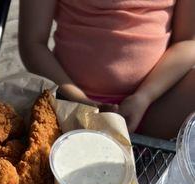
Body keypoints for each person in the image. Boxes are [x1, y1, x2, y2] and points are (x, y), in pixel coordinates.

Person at [18, 0, 195, 138]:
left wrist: (144, 97)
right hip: (69, 104)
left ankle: (148, 173)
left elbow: (188, 42)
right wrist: (79, 99)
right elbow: (33, 43)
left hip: (154, 104)